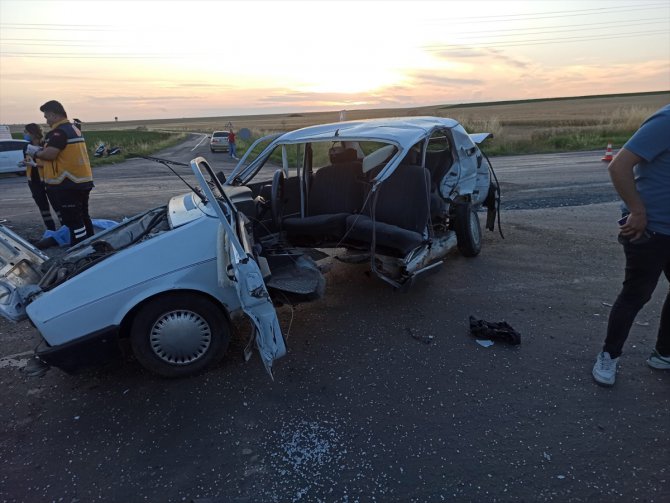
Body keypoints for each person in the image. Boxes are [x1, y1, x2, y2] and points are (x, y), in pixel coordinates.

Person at [592, 104, 670, 386]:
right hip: (649, 229)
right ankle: (609, 356)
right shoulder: (666, 121)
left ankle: (664, 353)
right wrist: (637, 211)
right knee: (636, 294)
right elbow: (619, 165)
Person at [29, 100, 94, 246]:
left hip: (67, 183)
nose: (46, 121)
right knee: (83, 216)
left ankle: (79, 247)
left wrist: (36, 153)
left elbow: (50, 154)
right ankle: (91, 244)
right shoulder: (73, 128)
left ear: (53, 115)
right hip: (81, 180)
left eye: (47, 117)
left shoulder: (58, 132)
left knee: (73, 221)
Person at [22, 123, 59, 231]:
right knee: (43, 208)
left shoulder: (46, 145)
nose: (24, 134)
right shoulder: (26, 146)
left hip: (48, 179)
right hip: (34, 181)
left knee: (57, 205)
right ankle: (51, 230)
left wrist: (35, 165)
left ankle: (65, 229)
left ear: (33, 133)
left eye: (26, 132)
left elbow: (52, 163)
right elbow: (28, 159)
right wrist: (25, 162)